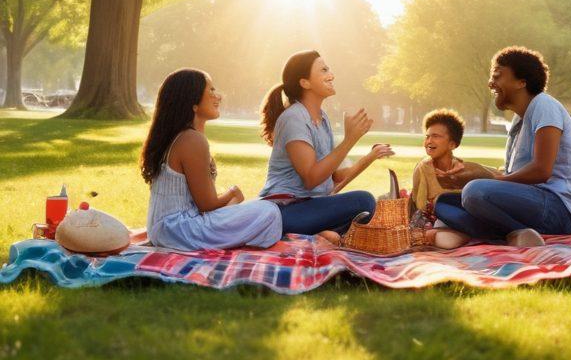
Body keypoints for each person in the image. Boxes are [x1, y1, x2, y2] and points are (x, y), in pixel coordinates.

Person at [432, 46, 571, 248]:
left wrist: (489, 179)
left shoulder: (544, 105)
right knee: (444, 202)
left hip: (561, 210)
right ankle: (511, 232)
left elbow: (541, 171)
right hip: (533, 202)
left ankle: (513, 231)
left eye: (497, 76)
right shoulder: (519, 120)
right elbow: (511, 175)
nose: (491, 83)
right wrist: (469, 172)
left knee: (474, 193)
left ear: (521, 82)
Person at [141, 68, 285, 250]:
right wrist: (233, 193)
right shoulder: (191, 139)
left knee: (261, 206)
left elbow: (201, 203)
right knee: (269, 211)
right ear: (193, 102)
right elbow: (207, 205)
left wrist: (232, 203)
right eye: (211, 90)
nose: (218, 96)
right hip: (178, 230)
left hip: (168, 230)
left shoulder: (183, 136)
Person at [259, 49, 393, 237]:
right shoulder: (294, 118)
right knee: (364, 202)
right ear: (305, 82)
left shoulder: (323, 119)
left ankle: (321, 234)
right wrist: (349, 140)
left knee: (367, 205)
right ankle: (316, 234)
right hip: (284, 211)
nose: (331, 75)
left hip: (311, 207)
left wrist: (370, 156)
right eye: (323, 70)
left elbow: (335, 176)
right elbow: (311, 178)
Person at [409, 109, 495, 229]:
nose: (429, 141)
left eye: (435, 136)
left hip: (462, 216)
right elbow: (419, 206)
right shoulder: (423, 168)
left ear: (452, 144)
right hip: (440, 219)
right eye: (427, 136)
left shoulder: (464, 169)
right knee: (443, 218)